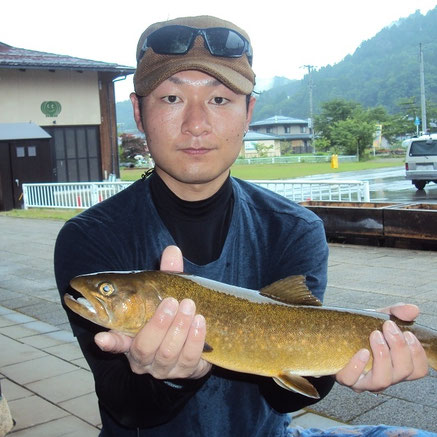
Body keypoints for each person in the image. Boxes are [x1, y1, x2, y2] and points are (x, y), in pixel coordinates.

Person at [54, 15, 431, 437]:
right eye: (171, 99)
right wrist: (172, 374)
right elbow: (125, 406)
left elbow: (285, 396)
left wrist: (349, 350)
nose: (196, 124)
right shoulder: (89, 236)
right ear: (139, 112)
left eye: (219, 100)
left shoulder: (295, 228)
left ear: (249, 112)